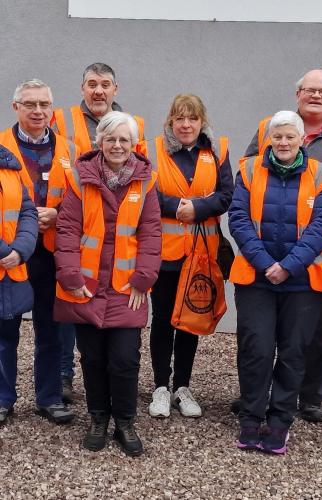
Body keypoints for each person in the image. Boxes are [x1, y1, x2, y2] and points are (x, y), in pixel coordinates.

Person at [239, 69, 322, 422]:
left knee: (319, 324)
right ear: (297, 94)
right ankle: (257, 394)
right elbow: (249, 173)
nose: (316, 95)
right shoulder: (271, 126)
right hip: (266, 246)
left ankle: (310, 396)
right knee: (261, 329)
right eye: (309, 89)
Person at [54, 111, 161, 457]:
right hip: (85, 286)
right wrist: (69, 276)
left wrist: (144, 278)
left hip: (127, 288)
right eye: (111, 139)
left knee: (126, 359)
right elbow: (68, 230)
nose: (117, 145)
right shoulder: (78, 179)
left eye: (124, 140)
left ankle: (125, 422)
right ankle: (98, 417)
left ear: (133, 145)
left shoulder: (146, 182)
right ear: (99, 142)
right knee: (93, 357)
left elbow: (151, 234)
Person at [229, 110, 322, 454]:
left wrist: (288, 265)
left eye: (290, 136)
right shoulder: (247, 170)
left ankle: (279, 422)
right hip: (256, 279)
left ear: (303, 139)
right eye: (278, 137)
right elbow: (239, 219)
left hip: (302, 282)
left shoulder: (320, 175)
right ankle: (250, 418)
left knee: (292, 352)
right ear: (268, 140)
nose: (284, 142)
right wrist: (266, 264)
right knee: (256, 349)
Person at [52, 62, 147, 403]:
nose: (98, 90)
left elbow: (142, 205)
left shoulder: (134, 127)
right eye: (91, 84)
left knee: (121, 353)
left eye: (105, 84)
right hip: (77, 240)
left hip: (120, 265)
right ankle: (64, 377)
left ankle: (121, 412)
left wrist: (143, 273)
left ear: (115, 89)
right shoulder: (61, 120)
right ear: (82, 88)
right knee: (73, 322)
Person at [146, 94, 233, 419]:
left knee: (191, 320)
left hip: (201, 254)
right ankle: (160, 387)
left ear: (201, 122)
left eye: (192, 119)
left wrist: (197, 207)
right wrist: (175, 207)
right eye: (179, 118)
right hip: (166, 254)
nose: (186, 124)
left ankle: (182, 386)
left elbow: (227, 195)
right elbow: (147, 192)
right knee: (164, 319)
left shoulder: (217, 149)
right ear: (170, 121)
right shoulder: (152, 149)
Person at [0, 79, 76, 424]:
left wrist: (58, 213)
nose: (38, 111)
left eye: (44, 104)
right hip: (11, 254)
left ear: (52, 107)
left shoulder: (69, 149)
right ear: (16, 107)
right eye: (29, 104)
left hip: (51, 251)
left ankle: (48, 398)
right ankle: (3, 399)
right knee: (5, 330)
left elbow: (82, 199)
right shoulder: (1, 145)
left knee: (51, 330)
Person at [0, 145, 38, 425]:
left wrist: (21, 249)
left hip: (10, 270)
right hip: (6, 260)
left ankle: (3, 399)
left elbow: (27, 211)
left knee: (6, 340)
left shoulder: (9, 166)